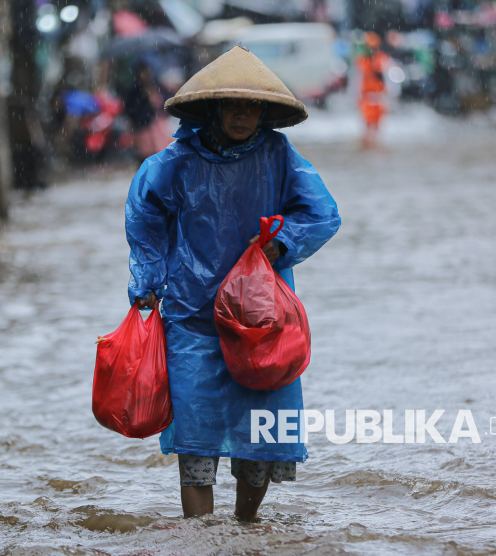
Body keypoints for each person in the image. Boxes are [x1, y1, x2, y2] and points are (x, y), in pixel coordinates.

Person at [124, 46, 341, 521]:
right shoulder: (175, 162)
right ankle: (202, 542)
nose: (242, 115)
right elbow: (144, 220)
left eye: (251, 106)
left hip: (261, 322)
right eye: (233, 106)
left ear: (263, 112)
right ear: (214, 109)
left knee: (260, 446)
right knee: (195, 449)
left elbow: (322, 213)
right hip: (192, 319)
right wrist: (149, 279)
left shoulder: (278, 155)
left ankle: (245, 532)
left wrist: (281, 243)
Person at [354, 32, 389, 149]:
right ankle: (368, 140)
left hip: (378, 96)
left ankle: (374, 141)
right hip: (366, 96)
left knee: (377, 122)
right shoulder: (361, 61)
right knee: (367, 122)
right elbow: (356, 79)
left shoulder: (381, 59)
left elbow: (388, 77)